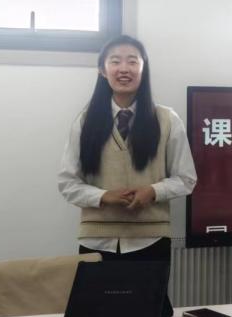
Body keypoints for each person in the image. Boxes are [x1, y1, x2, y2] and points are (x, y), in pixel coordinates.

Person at [58, 35, 196, 262]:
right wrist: (104, 196)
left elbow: (186, 178)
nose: (124, 68)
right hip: (95, 242)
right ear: (102, 70)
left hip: (151, 240)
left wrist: (152, 191)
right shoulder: (85, 122)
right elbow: (67, 183)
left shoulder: (167, 120)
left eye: (132, 61)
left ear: (143, 69)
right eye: (115, 61)